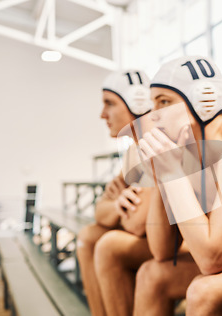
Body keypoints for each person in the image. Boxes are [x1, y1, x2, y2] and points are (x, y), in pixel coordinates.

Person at [133, 56, 222, 316]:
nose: (154, 116)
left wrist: (172, 173)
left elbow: (212, 259)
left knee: (203, 291)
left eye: (164, 102)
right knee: (152, 274)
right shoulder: (187, 151)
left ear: (203, 102)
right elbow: (162, 251)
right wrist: (161, 175)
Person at [76, 70, 154, 316]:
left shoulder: (157, 142)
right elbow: (101, 211)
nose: (102, 114)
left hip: (177, 245)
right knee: (88, 235)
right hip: (152, 239)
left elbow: (137, 224)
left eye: (109, 103)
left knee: (108, 245)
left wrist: (116, 206)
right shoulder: (134, 151)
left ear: (138, 102)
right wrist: (118, 203)